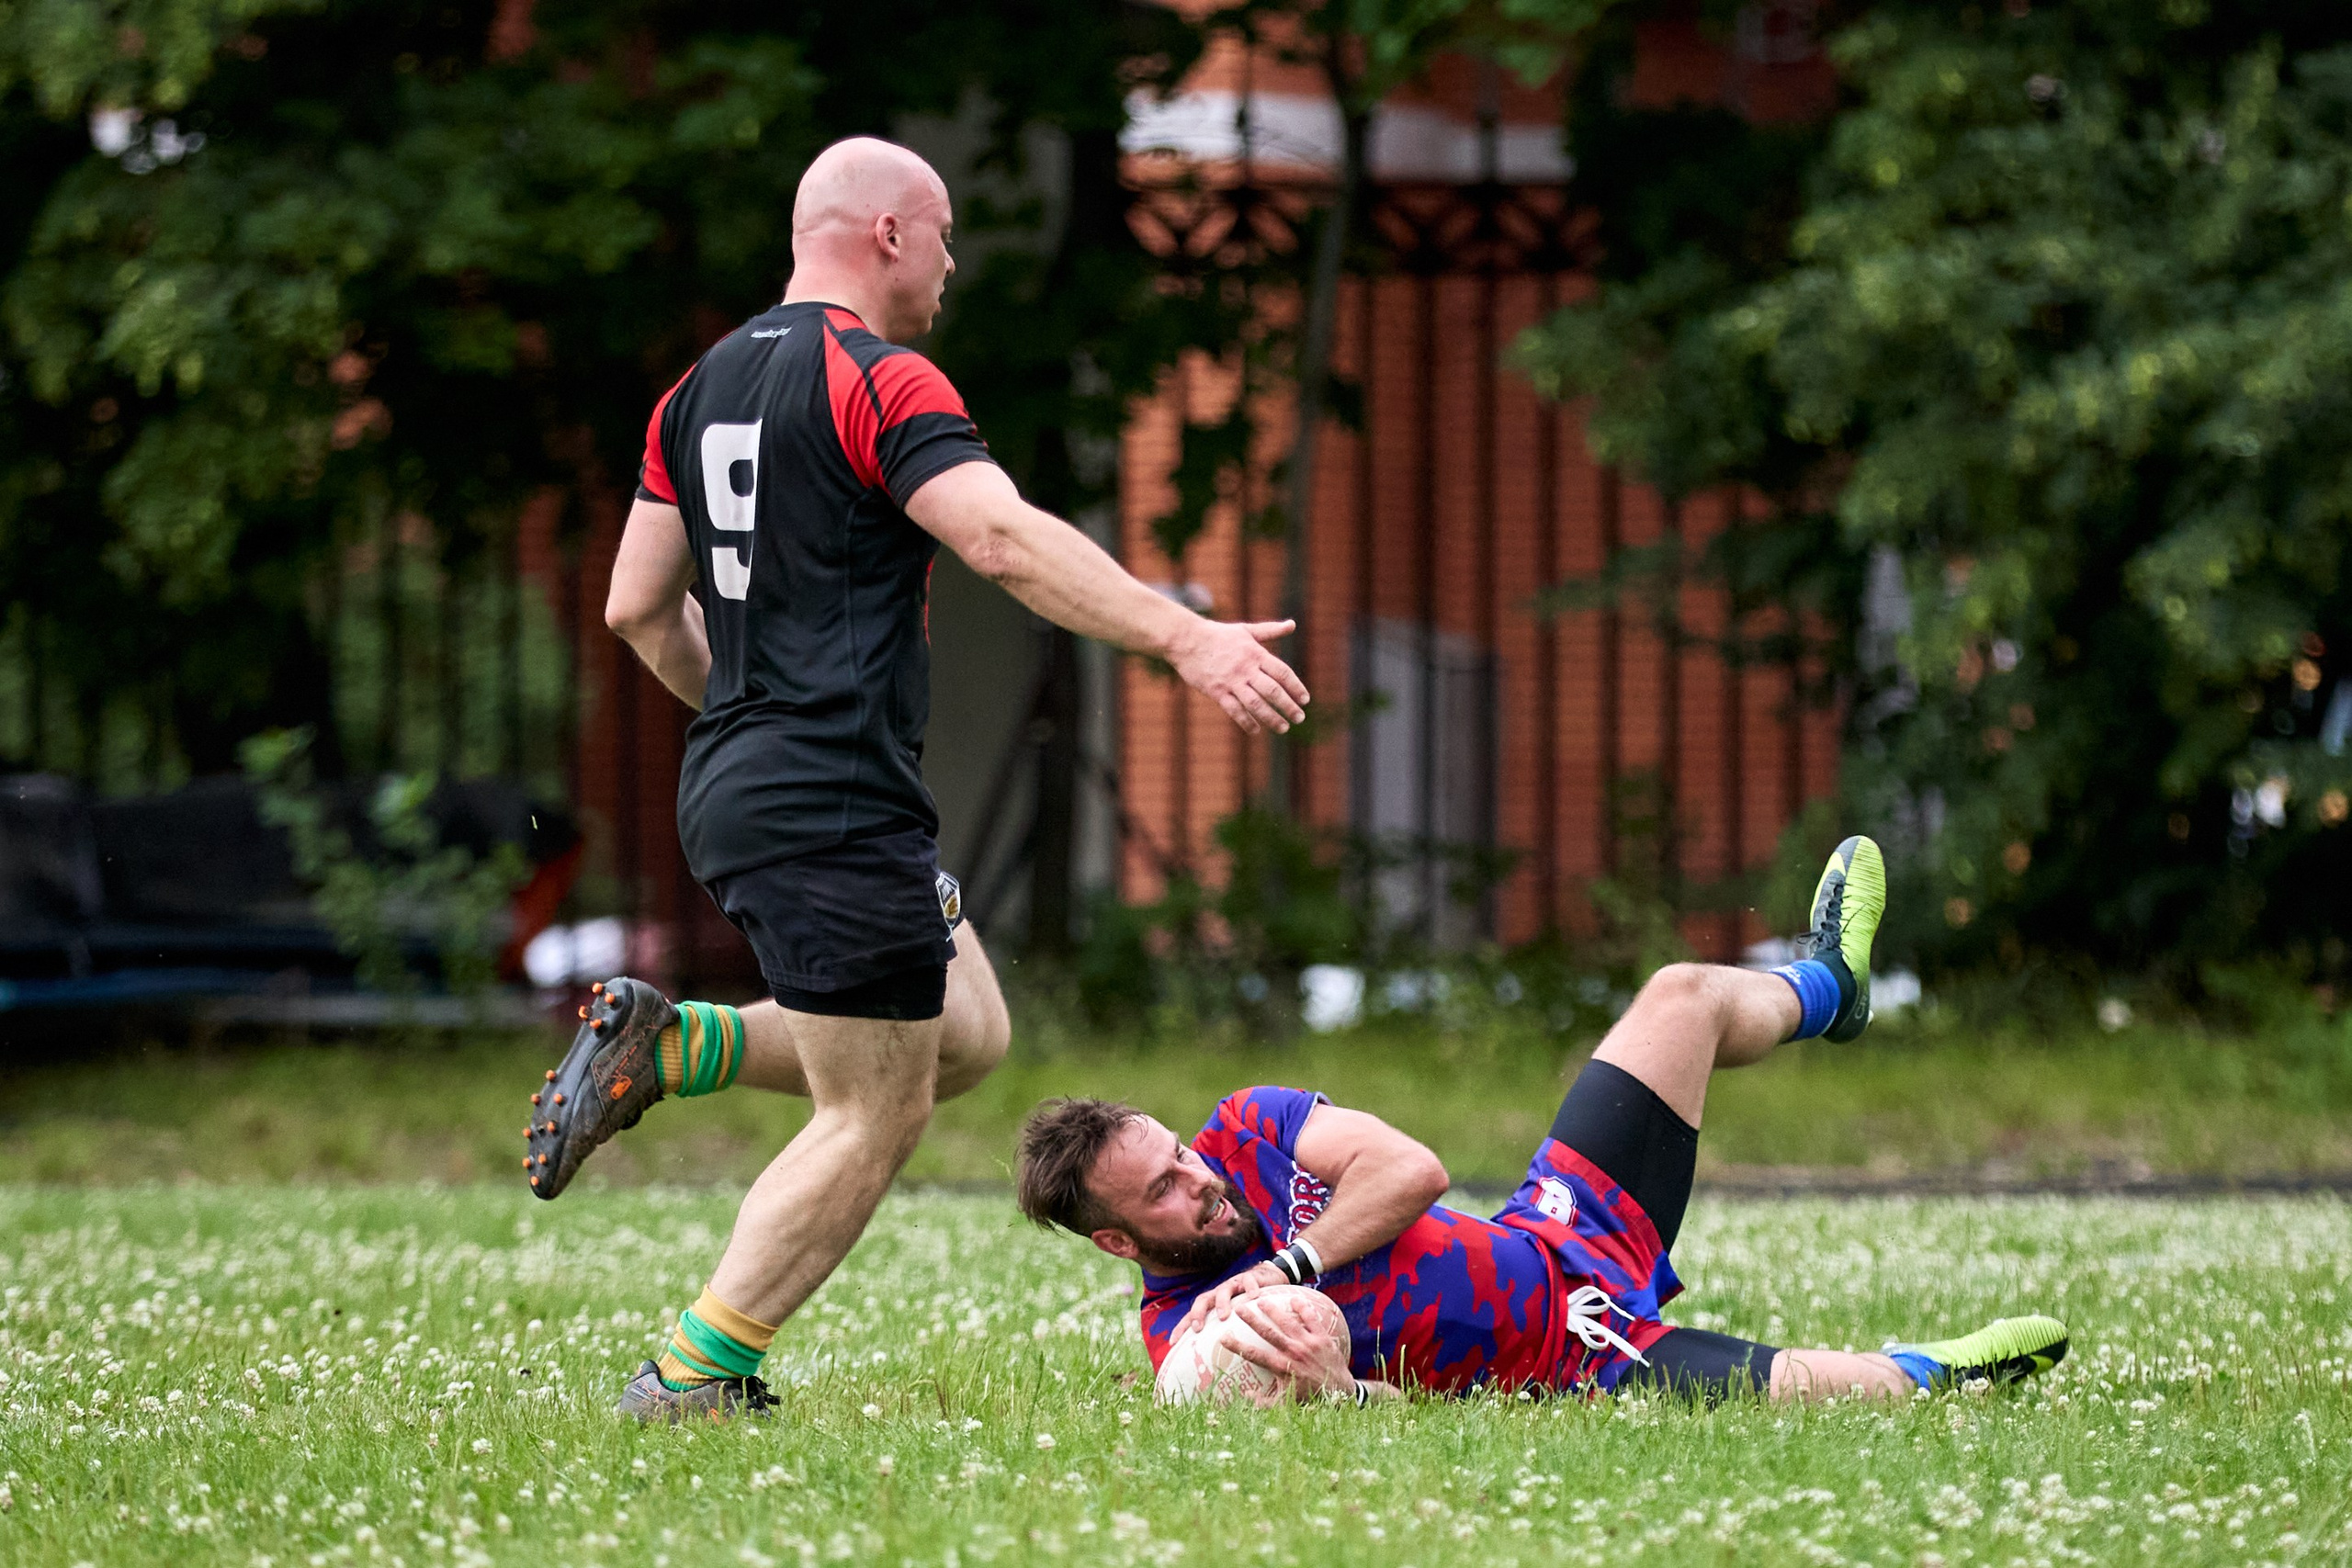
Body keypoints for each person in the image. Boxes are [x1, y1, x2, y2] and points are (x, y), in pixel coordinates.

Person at [521, 136, 1310, 1423]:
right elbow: (998, 533)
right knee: (872, 1109)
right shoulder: (878, 381)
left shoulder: (696, 389)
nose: (949, 263)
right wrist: (1183, 631)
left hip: (747, 782)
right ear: (888, 233)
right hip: (828, 798)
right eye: (942, 235)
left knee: (969, 1031)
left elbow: (631, 605)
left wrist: (749, 713)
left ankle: (677, 1043)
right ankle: (693, 1375)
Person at [1016, 837, 2071, 1405]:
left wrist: (1289, 1265)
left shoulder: (1246, 1127)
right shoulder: (1191, 1344)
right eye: (1160, 1191)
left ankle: (1830, 987)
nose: (1195, 1178)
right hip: (1576, 1356)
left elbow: (1413, 1170)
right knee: (1828, 1388)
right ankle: (1953, 1373)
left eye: (1175, 1154)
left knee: (1679, 995)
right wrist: (1338, 1394)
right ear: (1117, 1241)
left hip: (1555, 1227)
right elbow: (1402, 1432)